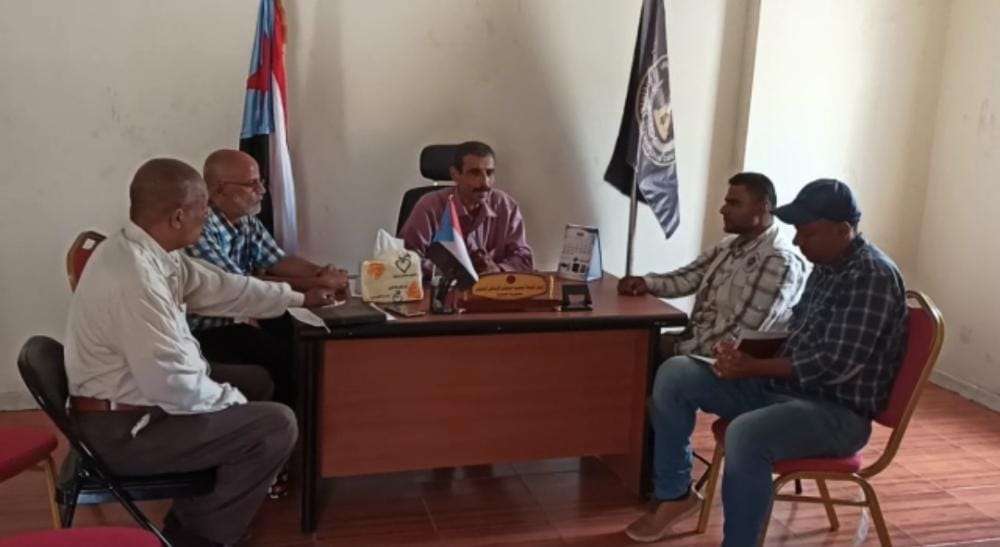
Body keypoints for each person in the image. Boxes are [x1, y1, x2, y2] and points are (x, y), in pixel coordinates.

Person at [65, 158, 336, 547]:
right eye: (202, 208)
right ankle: (195, 537)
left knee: (257, 381)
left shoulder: (149, 251)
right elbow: (173, 385)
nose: (208, 215)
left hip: (137, 407)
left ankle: (207, 508)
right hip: (123, 434)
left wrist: (299, 297)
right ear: (178, 217)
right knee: (276, 425)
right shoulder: (135, 279)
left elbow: (224, 288)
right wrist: (234, 405)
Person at [624, 179, 908, 545]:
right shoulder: (827, 264)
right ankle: (675, 494)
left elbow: (832, 364)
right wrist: (745, 355)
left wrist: (754, 367)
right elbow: (798, 335)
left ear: (843, 230)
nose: (797, 241)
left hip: (837, 413)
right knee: (676, 374)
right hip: (785, 390)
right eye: (796, 231)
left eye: (807, 232)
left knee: (746, 434)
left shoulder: (871, 275)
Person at [184, 149, 348, 405]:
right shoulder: (200, 226)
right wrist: (316, 284)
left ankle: (318, 416)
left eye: (261, 181)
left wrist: (323, 272)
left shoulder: (246, 221)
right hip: (203, 330)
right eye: (251, 184)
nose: (261, 190)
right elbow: (239, 286)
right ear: (220, 189)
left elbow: (278, 260)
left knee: (300, 335)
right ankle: (291, 421)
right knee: (284, 357)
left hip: (236, 318)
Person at [619, 172, 807, 357]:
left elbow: (740, 334)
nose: (723, 210)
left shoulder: (778, 260)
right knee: (631, 345)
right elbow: (688, 277)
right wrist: (646, 283)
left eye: (734, 203)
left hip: (728, 361)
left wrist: (678, 350)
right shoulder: (729, 246)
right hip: (697, 343)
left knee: (653, 359)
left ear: (763, 206)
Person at [400, 141, 534, 276]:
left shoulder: (505, 206)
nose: (485, 183)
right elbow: (404, 257)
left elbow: (524, 259)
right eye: (475, 173)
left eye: (489, 173)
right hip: (441, 286)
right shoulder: (430, 205)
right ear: (455, 174)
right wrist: (448, 272)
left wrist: (498, 269)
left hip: (491, 285)